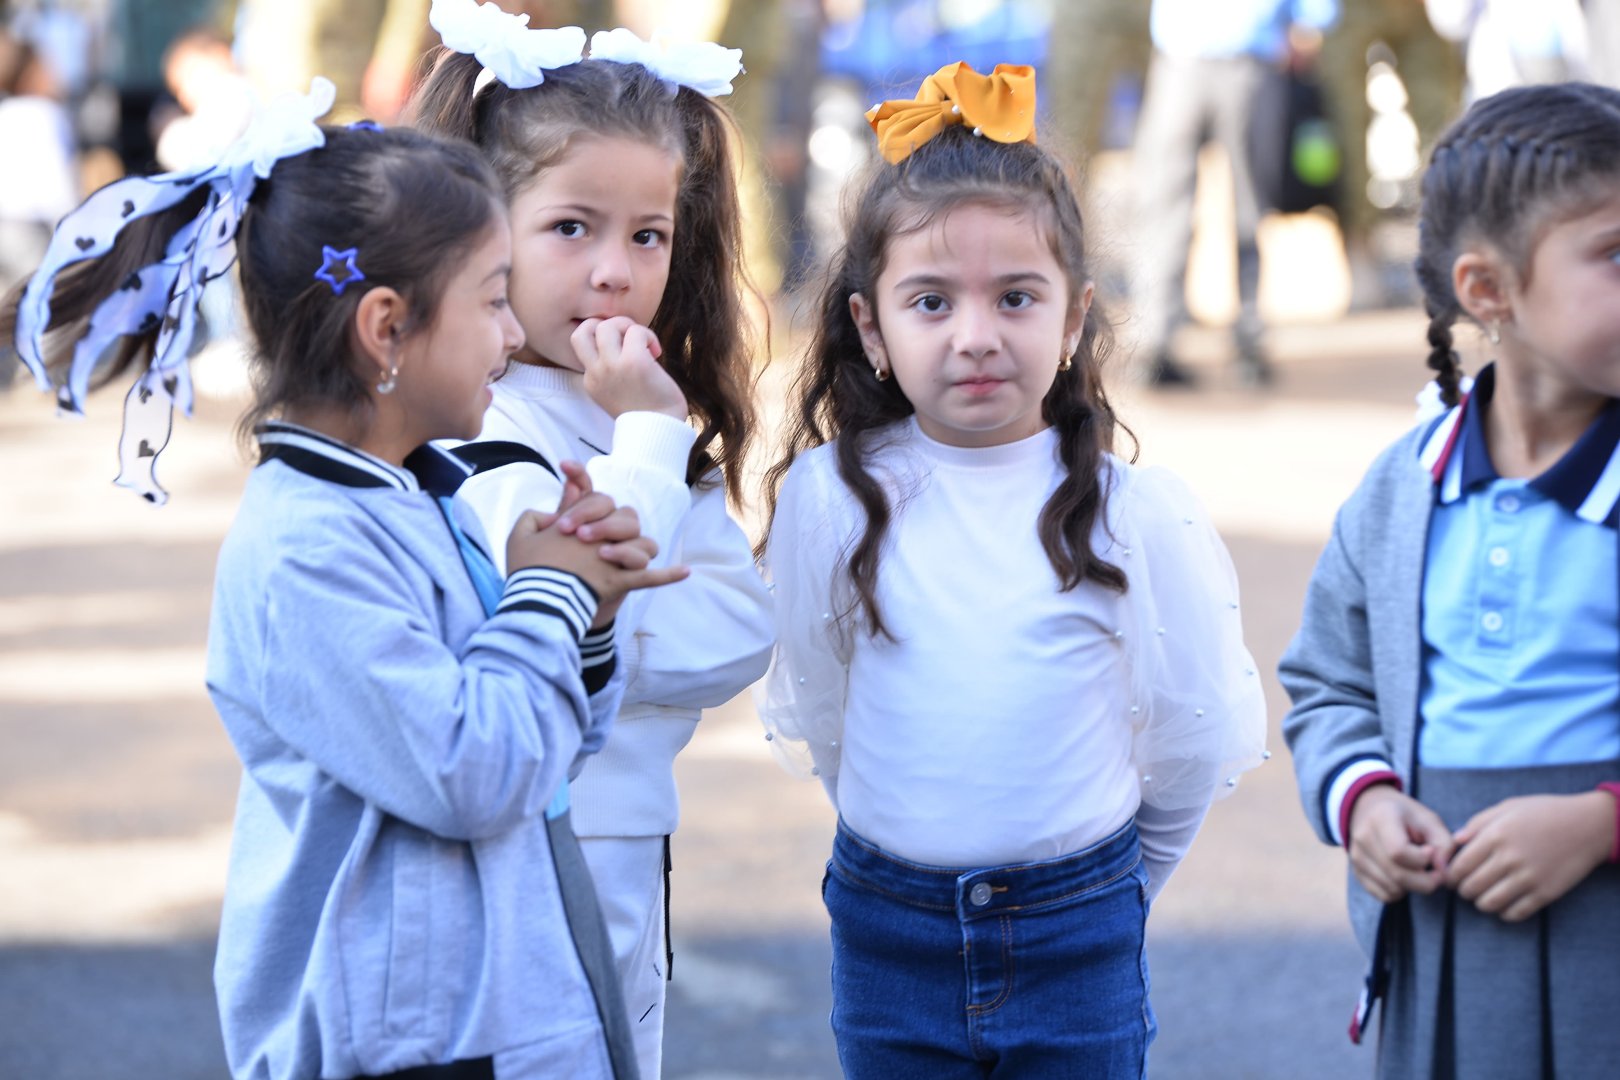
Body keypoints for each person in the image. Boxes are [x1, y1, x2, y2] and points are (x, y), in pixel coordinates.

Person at [5, 77, 686, 1079]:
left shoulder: (421, 496)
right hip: (410, 1047)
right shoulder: (307, 551)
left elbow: (542, 755)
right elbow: (473, 773)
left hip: (493, 1027)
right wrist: (548, 592)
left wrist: (588, 611)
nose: (510, 335)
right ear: (385, 329)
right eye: (492, 298)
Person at [758, 61, 1268, 1077]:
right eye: (932, 301)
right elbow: (822, 709)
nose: (977, 336)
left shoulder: (1131, 515)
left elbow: (1191, 731)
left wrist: (1105, 889)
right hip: (885, 930)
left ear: (1074, 316)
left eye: (1017, 297)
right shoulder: (832, 497)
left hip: (1075, 936)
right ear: (872, 326)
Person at [409, 6, 774, 1076]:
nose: (615, 270)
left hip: (629, 837)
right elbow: (570, 619)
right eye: (573, 228)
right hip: (519, 842)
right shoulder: (479, 419)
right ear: (484, 230)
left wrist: (624, 599)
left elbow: (739, 632)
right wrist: (649, 447)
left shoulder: (633, 414)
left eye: (647, 235)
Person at [1280, 82, 1620, 1078]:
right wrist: (1368, 804)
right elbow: (1328, 683)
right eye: (1616, 254)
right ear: (1488, 291)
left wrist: (1599, 822)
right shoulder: (1402, 491)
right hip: (1448, 938)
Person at [1129, 0, 1339, 387]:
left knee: (1243, 208)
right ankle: (1161, 341)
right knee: (1172, 208)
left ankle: (1240, 339)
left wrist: (1310, 22)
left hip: (1235, 59)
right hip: (1190, 59)